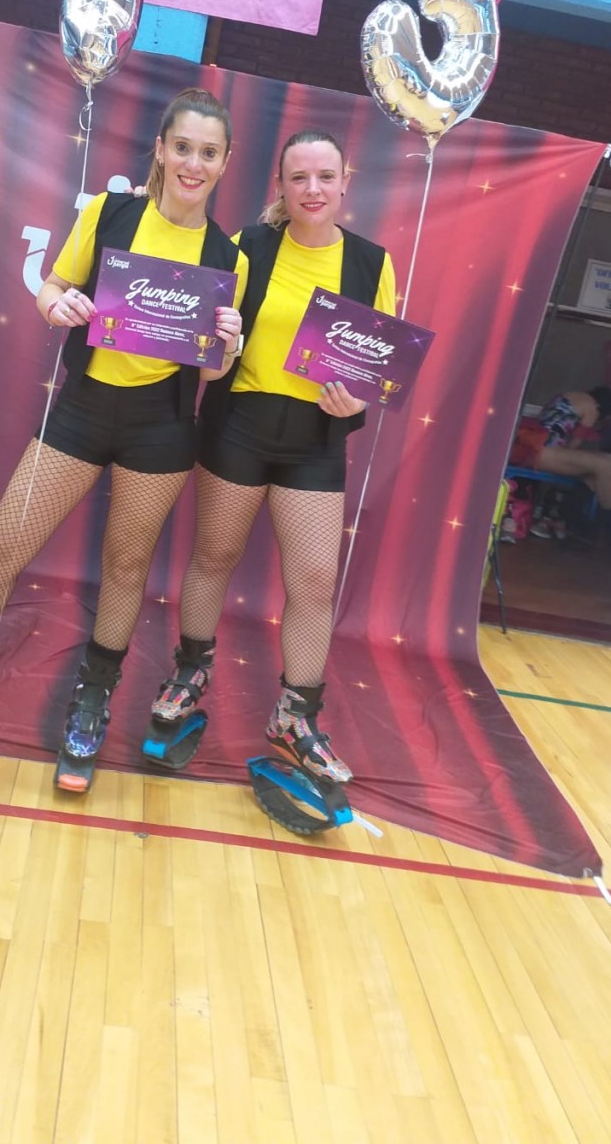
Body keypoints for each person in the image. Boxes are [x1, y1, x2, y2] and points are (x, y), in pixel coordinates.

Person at [0, 88, 248, 789]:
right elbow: (52, 287)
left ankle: (92, 698)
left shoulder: (229, 257)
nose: (194, 163)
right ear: (161, 150)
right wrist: (58, 302)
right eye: (183, 147)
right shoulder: (109, 213)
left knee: (125, 567)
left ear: (225, 163)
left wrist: (229, 343)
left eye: (208, 152)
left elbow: (213, 371)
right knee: (4, 543)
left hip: (161, 426)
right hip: (83, 408)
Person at [149, 129, 397, 787]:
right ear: (281, 188)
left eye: (325, 177)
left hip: (316, 440)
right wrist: (216, 345)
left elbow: (377, 368)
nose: (313, 189)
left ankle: (296, 715)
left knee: (313, 582)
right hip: (240, 426)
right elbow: (212, 343)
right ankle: (189, 671)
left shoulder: (373, 263)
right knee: (213, 556)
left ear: (344, 183)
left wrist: (358, 399)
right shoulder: (249, 247)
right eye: (299, 178)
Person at [511, 386, 611, 534]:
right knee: (603, 465)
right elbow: (574, 444)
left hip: (535, 448)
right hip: (543, 452)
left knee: (610, 461)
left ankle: (576, 508)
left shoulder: (569, 395)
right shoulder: (592, 409)